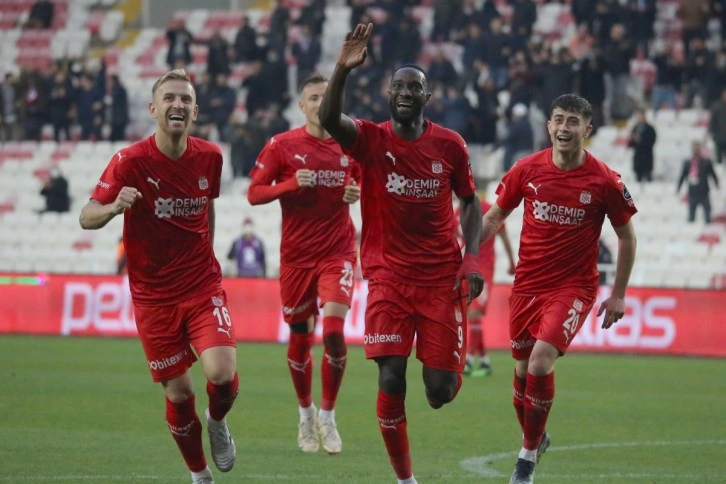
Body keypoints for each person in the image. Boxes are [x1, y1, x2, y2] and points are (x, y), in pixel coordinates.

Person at [319, 24, 484, 484]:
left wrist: (471, 258)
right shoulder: (370, 139)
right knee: (391, 378)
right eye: (400, 86)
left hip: (440, 280)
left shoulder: (450, 145)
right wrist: (342, 68)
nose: (407, 92)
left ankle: (447, 372)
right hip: (388, 277)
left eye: (415, 87)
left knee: (439, 391)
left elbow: (470, 202)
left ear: (427, 97)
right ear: (389, 94)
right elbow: (330, 119)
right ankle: (405, 479)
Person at [79, 69, 238, 484]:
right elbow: (86, 216)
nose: (177, 105)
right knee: (179, 394)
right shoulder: (129, 161)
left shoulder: (210, 156)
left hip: (202, 286)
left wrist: (207, 251)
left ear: (195, 111)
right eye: (169, 98)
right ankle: (200, 475)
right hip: (153, 298)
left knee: (222, 377)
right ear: (153, 108)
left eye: (185, 99)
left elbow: (207, 205)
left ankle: (217, 422)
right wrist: (113, 208)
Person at [479, 94, 638, 484]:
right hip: (527, 285)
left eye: (573, 122)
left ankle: (526, 460)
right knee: (521, 374)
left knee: (539, 362)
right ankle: (537, 437)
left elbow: (627, 237)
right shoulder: (526, 169)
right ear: (549, 125)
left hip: (573, 287)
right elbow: (495, 216)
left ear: (587, 130)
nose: (564, 128)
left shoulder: (605, 180)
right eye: (559, 119)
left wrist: (618, 293)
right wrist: (462, 254)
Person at [247, 73, 362, 455]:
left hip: (337, 252)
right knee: (300, 340)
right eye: (313, 97)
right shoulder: (282, 145)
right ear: (302, 105)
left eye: (325, 97)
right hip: (296, 258)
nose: (319, 103)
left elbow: (365, 181)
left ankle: (327, 416)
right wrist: (290, 185)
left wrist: (357, 191)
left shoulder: (351, 143)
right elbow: (254, 193)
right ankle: (305, 414)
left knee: (333, 332)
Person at [457, 199, 516, 377]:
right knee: (470, 315)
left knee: (474, 313)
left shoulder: (490, 210)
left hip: (484, 268)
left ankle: (468, 360)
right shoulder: (459, 210)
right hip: (466, 265)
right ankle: (484, 361)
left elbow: (503, 236)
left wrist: (511, 262)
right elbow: (452, 236)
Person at [677, 140, 720, 224]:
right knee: (691, 216)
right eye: (694, 148)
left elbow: (712, 174)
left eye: (697, 148)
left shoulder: (706, 162)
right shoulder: (688, 162)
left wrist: (716, 183)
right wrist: (678, 187)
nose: (696, 150)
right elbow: (682, 176)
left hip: (704, 191)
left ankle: (707, 226)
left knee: (707, 214)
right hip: (693, 192)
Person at [627, 109, 657, 183]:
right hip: (638, 158)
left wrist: (640, 140)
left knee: (648, 180)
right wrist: (632, 140)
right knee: (638, 179)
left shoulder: (650, 129)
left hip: (647, 157)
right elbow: (630, 144)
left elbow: (651, 142)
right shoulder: (635, 128)